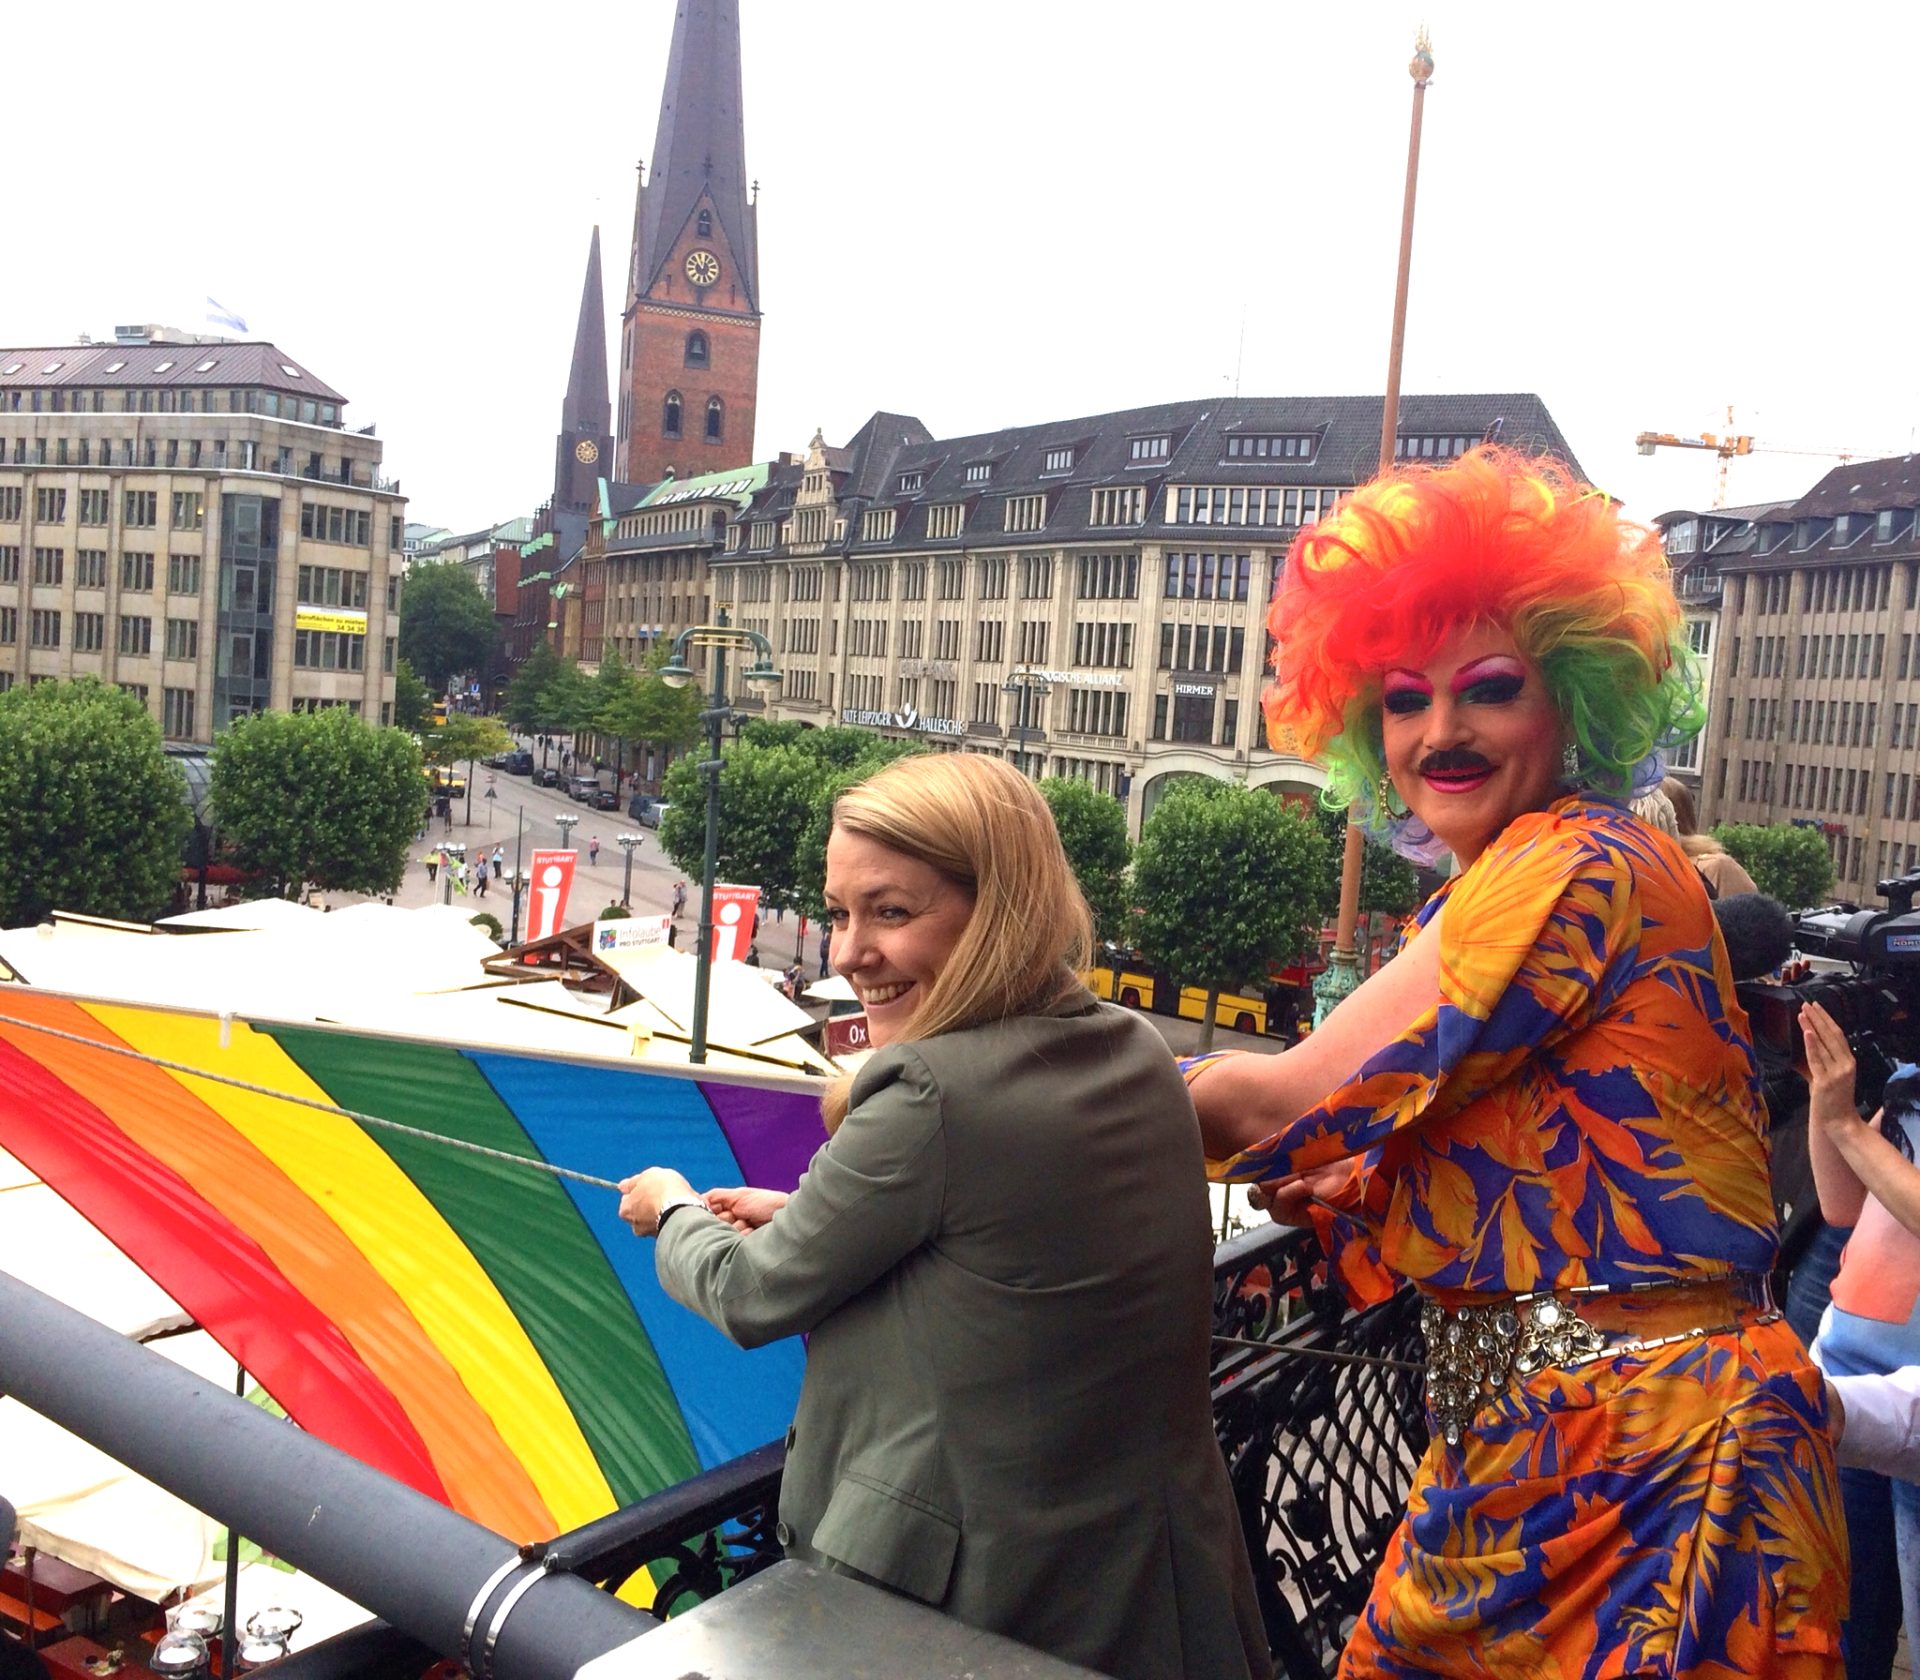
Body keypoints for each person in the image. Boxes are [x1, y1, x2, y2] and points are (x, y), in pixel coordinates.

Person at [1184, 447, 1844, 1677]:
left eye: (1487, 688)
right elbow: (1544, 1144)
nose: (1438, 731)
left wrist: (977, 1107)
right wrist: (1371, 1180)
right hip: (1539, 1446)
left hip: (1654, 1471)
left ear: (1574, 700)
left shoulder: (1572, 862)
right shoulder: (1504, 885)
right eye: (1399, 698)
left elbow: (1281, 1094)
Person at [617, 754, 1269, 1680]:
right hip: (1149, 1576)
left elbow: (750, 1294)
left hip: (975, 1604)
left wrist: (672, 1204)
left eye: (890, 912)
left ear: (999, 909)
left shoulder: (927, 1093)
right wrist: (810, 1208)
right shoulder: (1130, 1047)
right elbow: (1020, 1228)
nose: (847, 953)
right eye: (840, 913)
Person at [1803, 1001, 1920, 1677]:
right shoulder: (1908, 1081)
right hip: (1844, 1390)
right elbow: (1841, 1204)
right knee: (1845, 1635)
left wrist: (1848, 1122)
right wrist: (1828, 1098)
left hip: (1910, 1413)